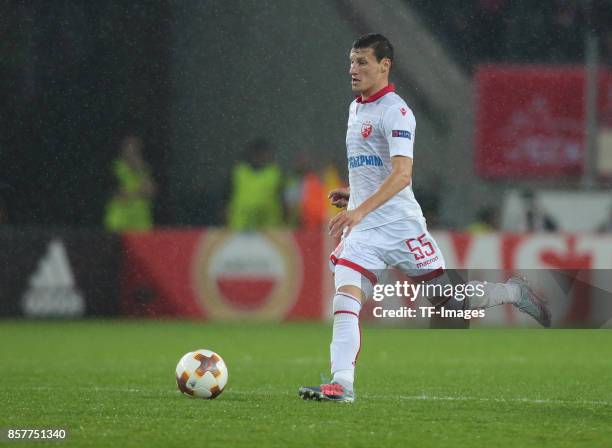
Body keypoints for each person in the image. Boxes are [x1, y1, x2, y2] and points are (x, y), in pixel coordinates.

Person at [298, 34, 551, 403]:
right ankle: (342, 385)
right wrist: (356, 195)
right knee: (345, 299)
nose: (353, 69)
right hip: (366, 230)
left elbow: (402, 175)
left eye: (363, 62)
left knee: (451, 304)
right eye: (351, 61)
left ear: (385, 66)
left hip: (401, 227)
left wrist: (359, 209)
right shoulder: (356, 108)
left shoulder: (396, 112)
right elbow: (375, 169)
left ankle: (514, 291)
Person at [227, 138, 283, 230]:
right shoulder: (238, 172)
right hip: (239, 229)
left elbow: (285, 203)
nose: (259, 156)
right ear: (250, 154)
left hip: (269, 231)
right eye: (257, 153)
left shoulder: (276, 174)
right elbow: (225, 199)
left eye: (262, 153)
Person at [104, 135, 156, 231]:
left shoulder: (144, 168)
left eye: (136, 148)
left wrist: (140, 169)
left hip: (141, 221)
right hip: (120, 220)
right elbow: (119, 196)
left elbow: (151, 191)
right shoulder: (115, 168)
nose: (133, 151)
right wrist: (140, 192)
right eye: (129, 146)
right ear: (122, 148)